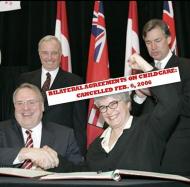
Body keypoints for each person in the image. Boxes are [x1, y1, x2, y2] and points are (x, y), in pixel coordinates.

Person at [56, 53, 180, 173]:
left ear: (128, 104)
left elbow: (171, 102)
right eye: (103, 107)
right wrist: (56, 161)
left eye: (113, 104)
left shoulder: (148, 128)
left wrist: (145, 66)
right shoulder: (97, 145)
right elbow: (84, 174)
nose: (109, 111)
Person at [131, 19, 190, 175]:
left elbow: (186, 106)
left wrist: (153, 91)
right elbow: (132, 116)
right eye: (148, 42)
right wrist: (139, 96)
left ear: (169, 39)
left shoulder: (186, 67)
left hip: (178, 152)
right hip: (146, 152)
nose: (153, 46)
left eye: (158, 40)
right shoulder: (141, 72)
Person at [16, 35, 87, 156]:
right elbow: (17, 113)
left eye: (54, 53)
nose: (49, 57)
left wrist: (79, 154)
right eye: (45, 53)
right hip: (29, 146)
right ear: (39, 54)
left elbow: (79, 122)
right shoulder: (24, 79)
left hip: (60, 147)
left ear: (60, 54)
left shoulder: (74, 82)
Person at [0, 83, 83, 170]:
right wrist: (25, 153)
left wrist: (55, 164)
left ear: (42, 106)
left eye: (31, 102)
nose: (25, 108)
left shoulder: (65, 135)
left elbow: (78, 169)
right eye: (19, 103)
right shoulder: (2, 129)